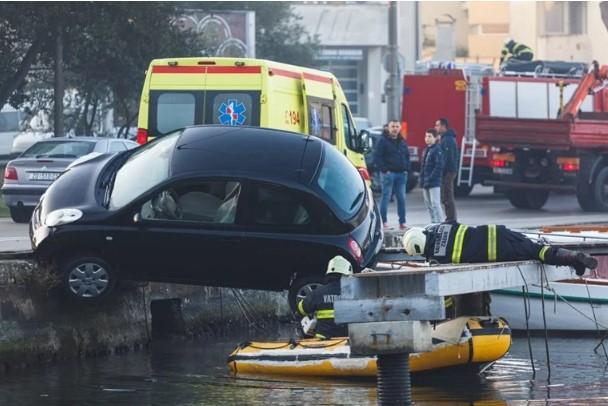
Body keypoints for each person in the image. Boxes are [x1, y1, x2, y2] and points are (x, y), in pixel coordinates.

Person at [402, 223, 598, 276]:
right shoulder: (444, 227)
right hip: (498, 231)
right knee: (537, 247)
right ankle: (574, 259)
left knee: (538, 253)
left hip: (499, 252)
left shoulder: (438, 259)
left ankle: (574, 259)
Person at [296, 256, 352, 339]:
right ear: (347, 274)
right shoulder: (354, 292)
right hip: (348, 339)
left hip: (323, 340)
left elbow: (300, 310)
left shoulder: (318, 292)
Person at [373, 120, 410, 229]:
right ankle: (383, 222)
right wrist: (385, 170)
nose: (395, 128)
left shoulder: (402, 141)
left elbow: (407, 156)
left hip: (401, 174)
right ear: (388, 128)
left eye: (397, 126)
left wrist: (406, 168)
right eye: (392, 126)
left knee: (402, 198)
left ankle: (402, 223)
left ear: (400, 128)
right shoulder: (382, 141)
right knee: (386, 197)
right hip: (388, 174)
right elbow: (377, 157)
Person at [435, 118, 458, 222]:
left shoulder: (447, 139)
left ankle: (451, 218)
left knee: (447, 195)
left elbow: (447, 158)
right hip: (447, 171)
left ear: (443, 126)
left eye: (437, 125)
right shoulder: (444, 138)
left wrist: (442, 171)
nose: (436, 127)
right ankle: (450, 217)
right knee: (445, 195)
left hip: (448, 171)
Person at [420, 128, 444, 223]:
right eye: (426, 136)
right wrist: (422, 179)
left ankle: (440, 222)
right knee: (428, 204)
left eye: (430, 136)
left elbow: (438, 166)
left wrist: (431, 178)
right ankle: (433, 221)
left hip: (434, 182)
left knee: (435, 203)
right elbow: (423, 167)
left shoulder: (437, 150)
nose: (427, 138)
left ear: (436, 138)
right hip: (425, 181)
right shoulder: (426, 150)